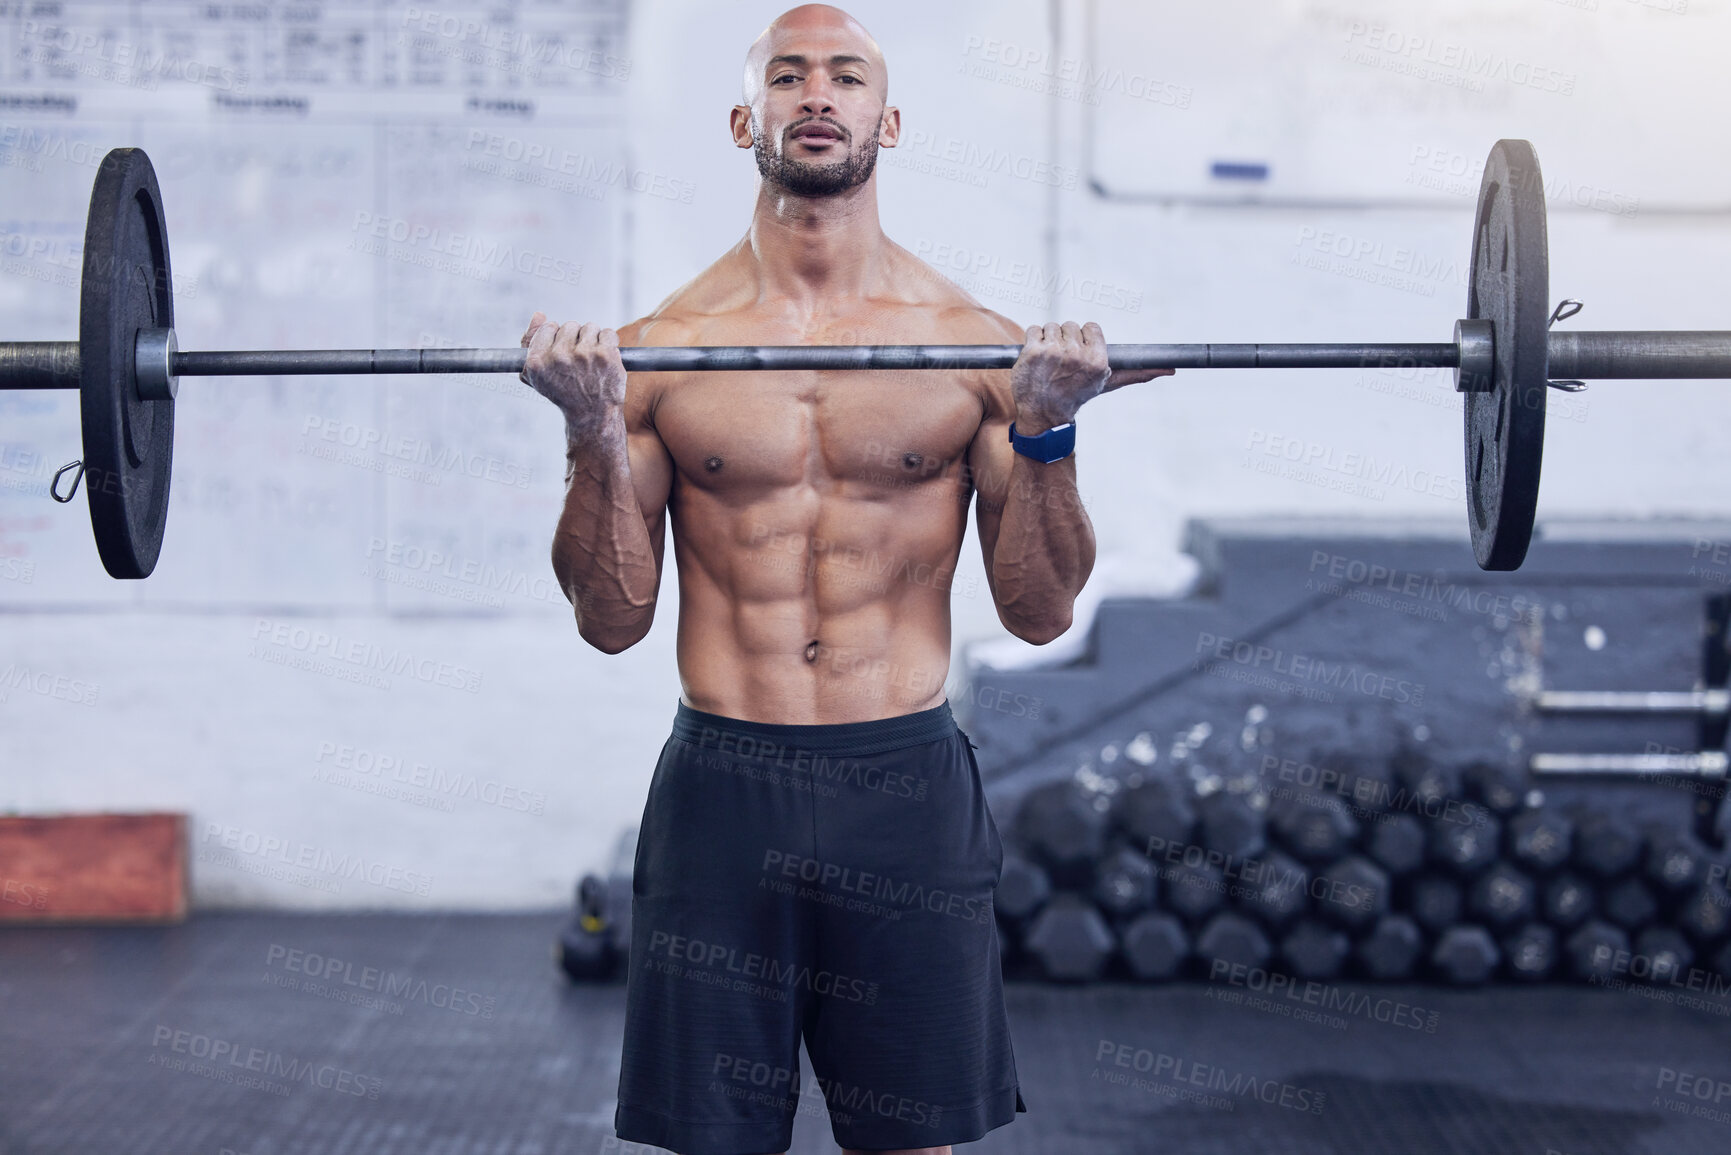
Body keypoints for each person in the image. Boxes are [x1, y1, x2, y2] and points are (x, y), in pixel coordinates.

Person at [519, 6, 1169, 1153]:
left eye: (846, 76)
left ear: (888, 119)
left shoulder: (976, 351)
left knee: (908, 1140)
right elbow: (613, 622)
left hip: (902, 786)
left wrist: (1051, 431)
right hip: (723, 785)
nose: (817, 94)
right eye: (788, 74)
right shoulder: (657, 353)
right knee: (714, 1140)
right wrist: (590, 435)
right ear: (744, 120)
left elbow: (1038, 610)